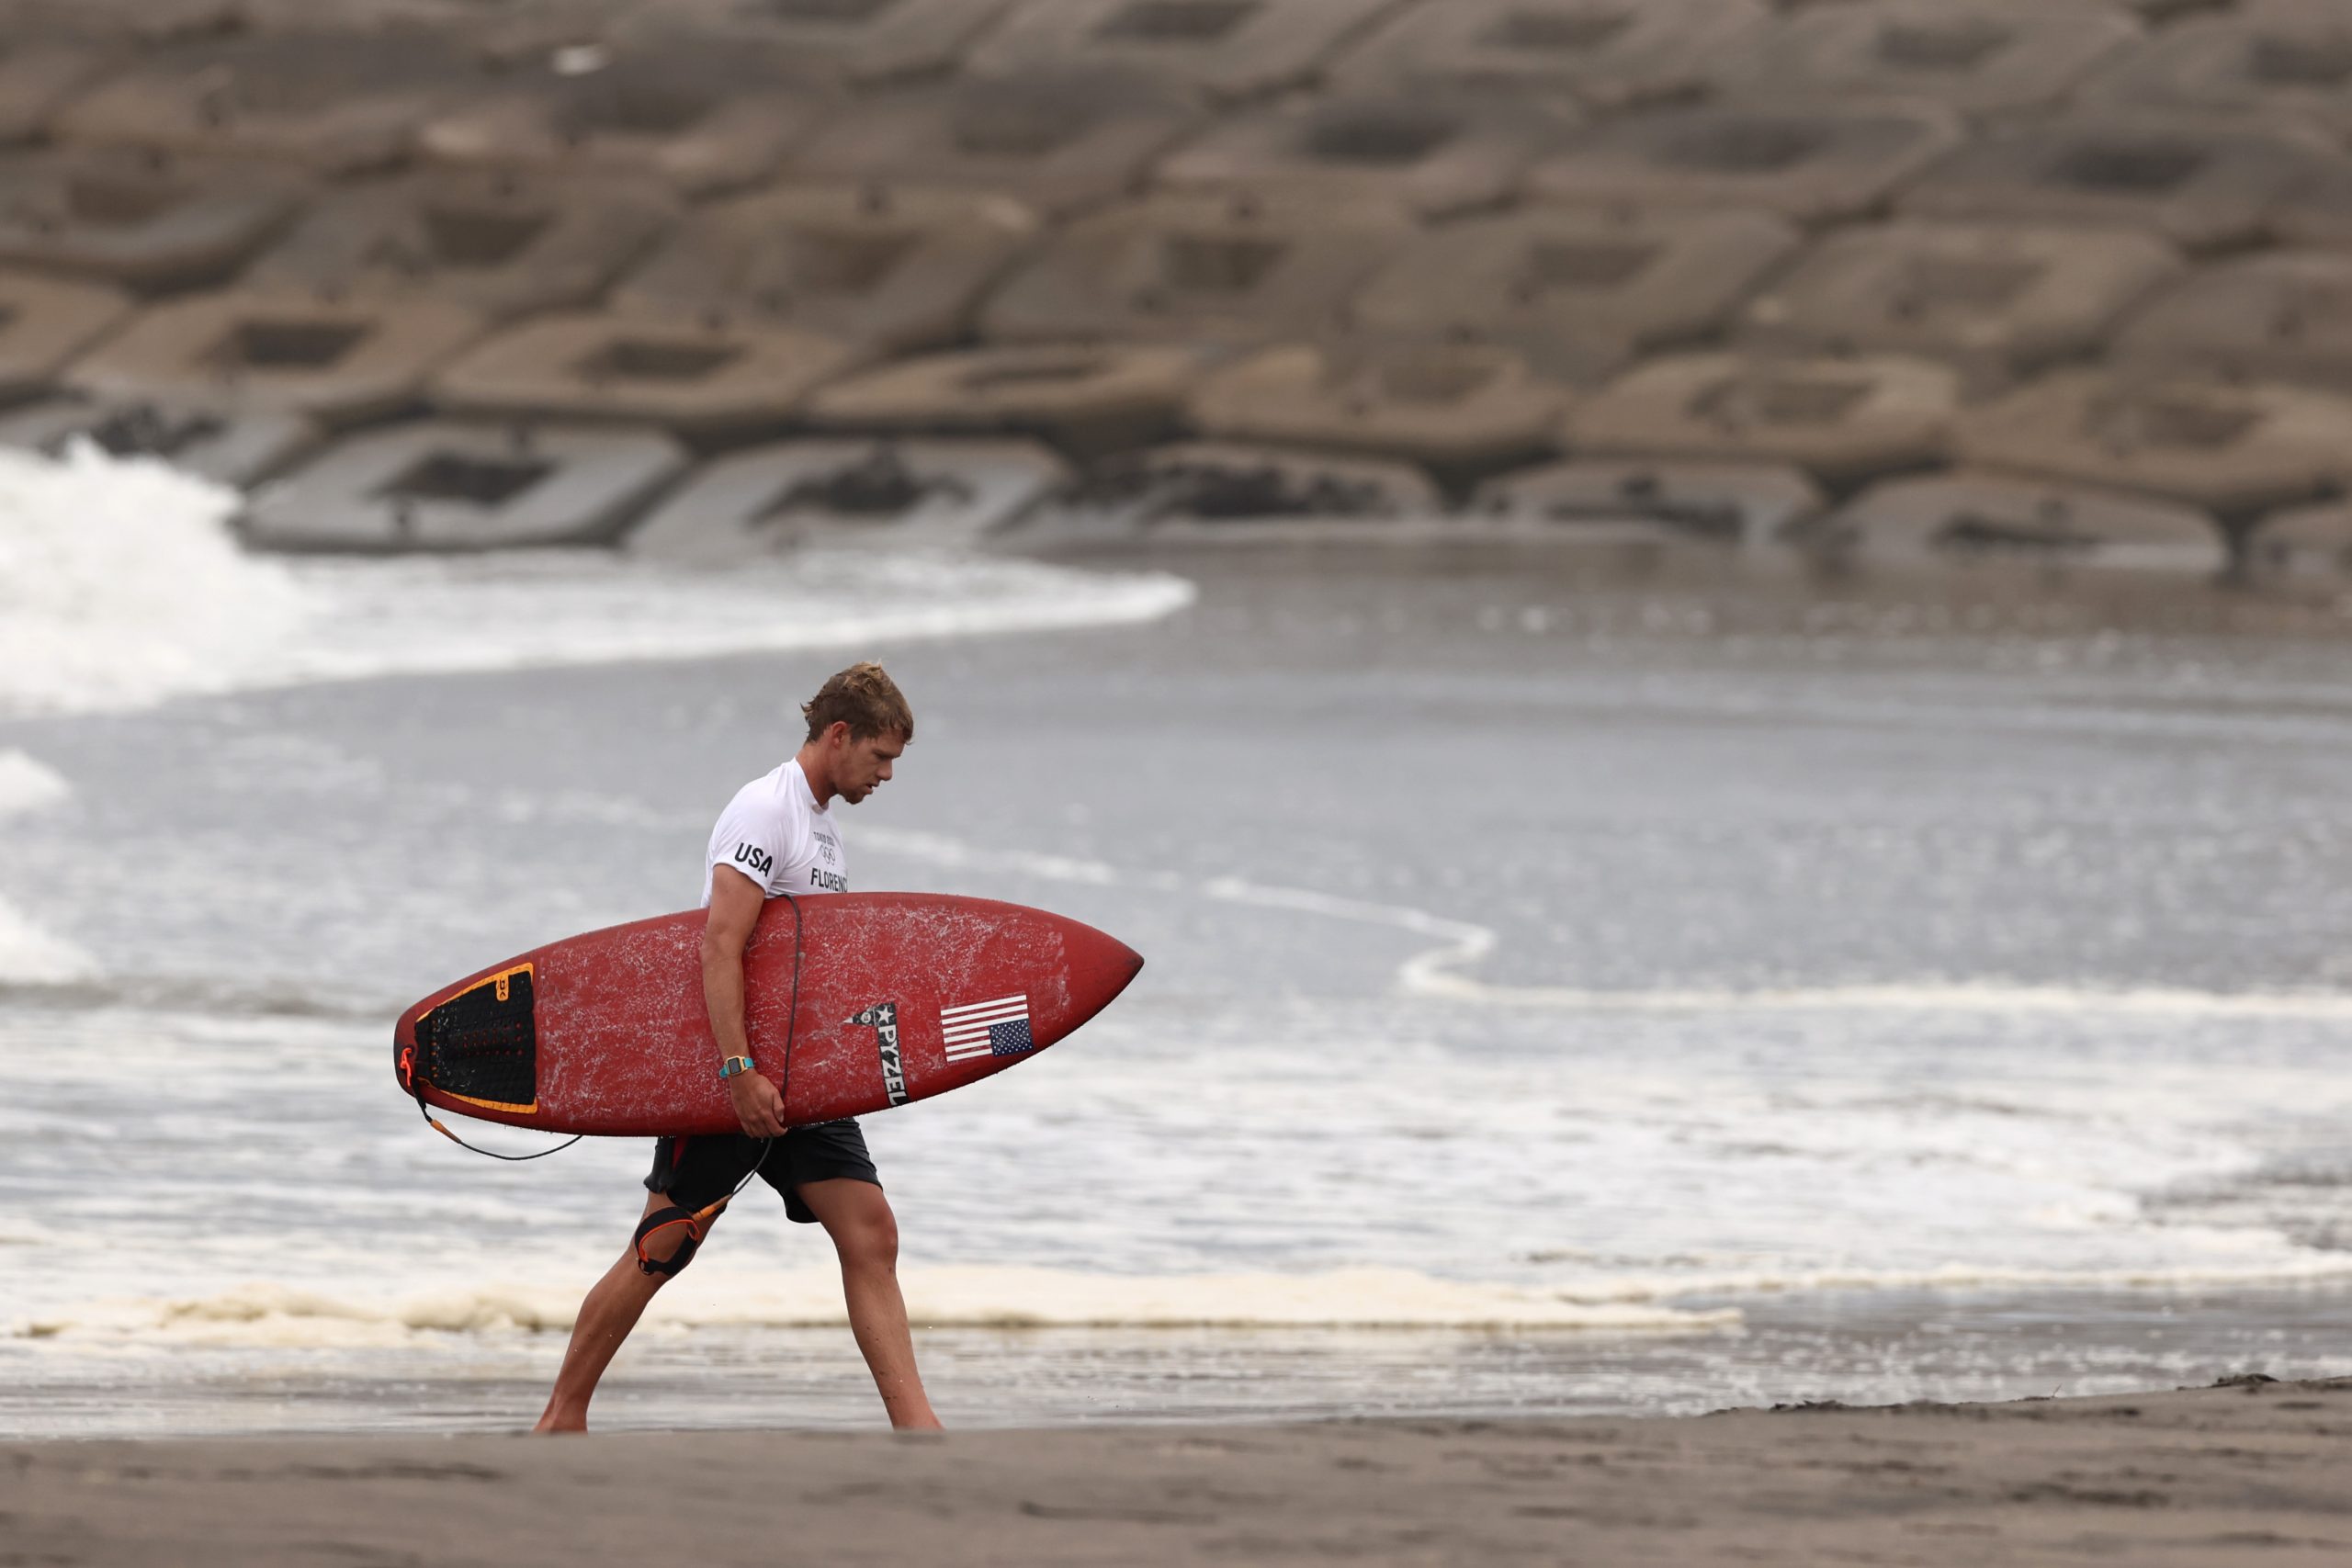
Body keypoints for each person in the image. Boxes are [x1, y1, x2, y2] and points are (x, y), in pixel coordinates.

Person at [534, 662, 940, 1432]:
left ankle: (917, 1427)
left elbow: (803, 972)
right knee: (664, 1245)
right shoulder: (764, 811)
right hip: (737, 1076)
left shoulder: (823, 830)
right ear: (839, 734)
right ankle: (562, 1413)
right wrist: (738, 1071)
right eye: (880, 757)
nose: (887, 774)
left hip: (803, 1086)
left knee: (871, 1231)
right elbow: (720, 946)